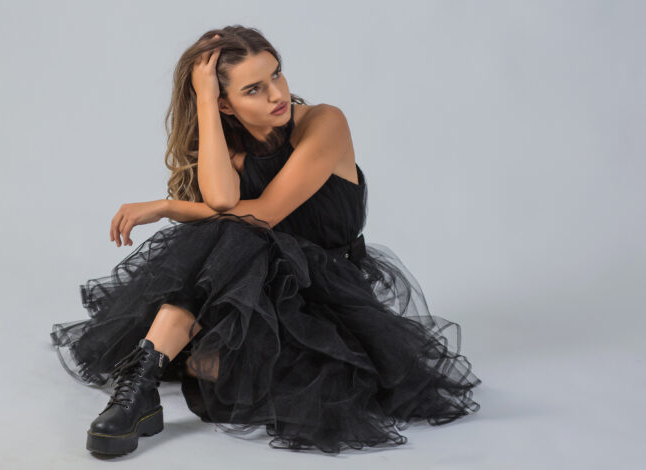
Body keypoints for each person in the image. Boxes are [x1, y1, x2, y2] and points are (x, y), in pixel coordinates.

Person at [50, 25, 482, 456]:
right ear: (226, 104)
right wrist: (205, 101)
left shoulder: (324, 123)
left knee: (235, 248)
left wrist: (167, 207)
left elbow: (265, 213)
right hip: (255, 290)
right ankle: (137, 389)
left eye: (276, 74)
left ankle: (188, 360)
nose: (277, 95)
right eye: (254, 89)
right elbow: (223, 201)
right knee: (227, 234)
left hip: (324, 292)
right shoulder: (230, 147)